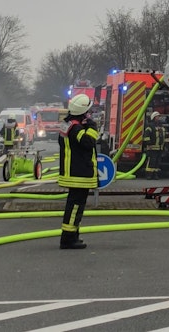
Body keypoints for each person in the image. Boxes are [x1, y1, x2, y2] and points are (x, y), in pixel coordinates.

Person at [57, 94, 98, 250]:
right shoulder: (76, 128)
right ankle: (68, 239)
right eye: (88, 111)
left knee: (75, 206)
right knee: (75, 207)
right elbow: (88, 143)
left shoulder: (67, 124)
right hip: (78, 174)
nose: (90, 113)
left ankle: (73, 235)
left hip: (73, 172)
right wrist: (92, 126)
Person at [142, 111, 165, 180]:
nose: (158, 118)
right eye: (157, 117)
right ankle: (149, 175)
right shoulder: (150, 126)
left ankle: (155, 175)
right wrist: (149, 143)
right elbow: (146, 136)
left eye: (159, 117)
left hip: (159, 148)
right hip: (152, 148)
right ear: (153, 118)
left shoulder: (161, 126)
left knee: (157, 162)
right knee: (151, 162)